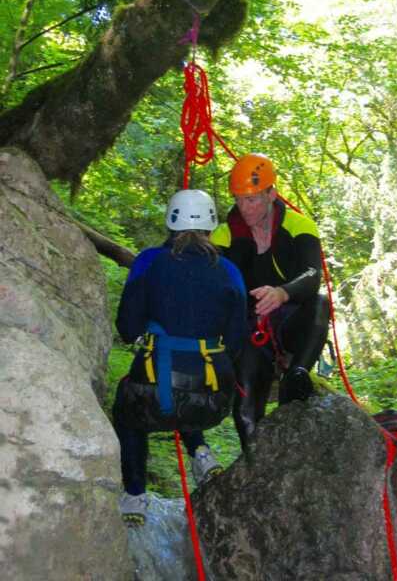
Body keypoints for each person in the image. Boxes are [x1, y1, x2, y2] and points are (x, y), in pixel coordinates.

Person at [112, 189, 247, 525]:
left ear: (170, 221)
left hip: (154, 393)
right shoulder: (229, 270)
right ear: (212, 225)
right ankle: (200, 451)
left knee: (128, 407)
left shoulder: (148, 261)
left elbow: (127, 328)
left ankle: (134, 494)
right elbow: (236, 339)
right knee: (186, 386)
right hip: (213, 399)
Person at [210, 153, 330, 451]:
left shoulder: (299, 225)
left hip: (291, 318)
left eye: (252, 200)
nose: (244, 208)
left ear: (271, 194)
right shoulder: (224, 235)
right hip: (252, 328)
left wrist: (282, 293)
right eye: (239, 200)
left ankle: (298, 373)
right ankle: (256, 470)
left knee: (320, 303)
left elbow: (312, 274)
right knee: (245, 412)